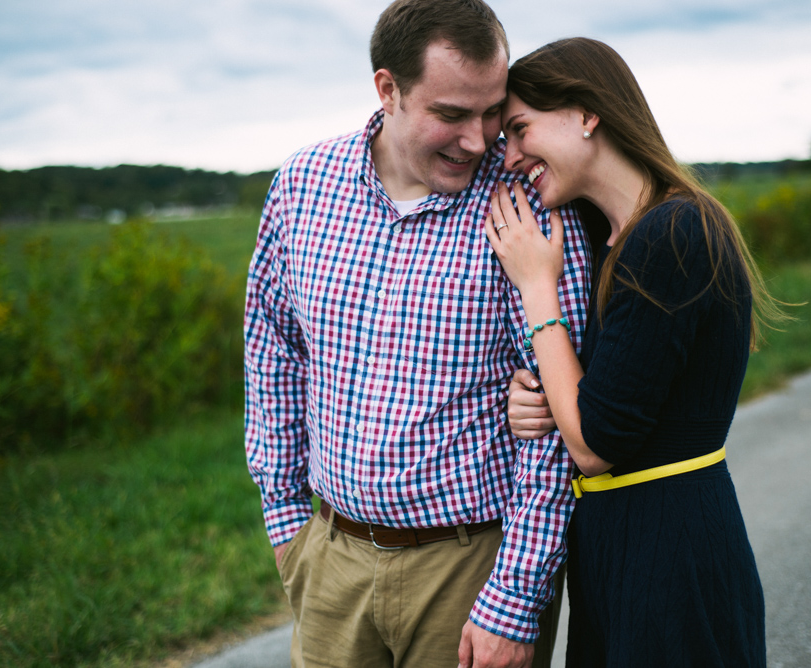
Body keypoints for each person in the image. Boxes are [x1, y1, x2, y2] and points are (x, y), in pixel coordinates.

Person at [243, 2, 592, 666]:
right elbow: (272, 348)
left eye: (493, 112)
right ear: (388, 89)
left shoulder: (526, 207)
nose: (480, 139)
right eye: (453, 115)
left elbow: (552, 420)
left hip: (471, 572)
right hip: (331, 562)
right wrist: (287, 520)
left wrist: (514, 601)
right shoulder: (302, 187)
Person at [487, 37, 778, 666]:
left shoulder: (674, 232)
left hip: (670, 550)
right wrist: (535, 400)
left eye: (518, 129)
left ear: (587, 114)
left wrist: (537, 288)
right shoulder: (609, 239)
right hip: (618, 545)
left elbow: (594, 443)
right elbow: (597, 395)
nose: (507, 157)